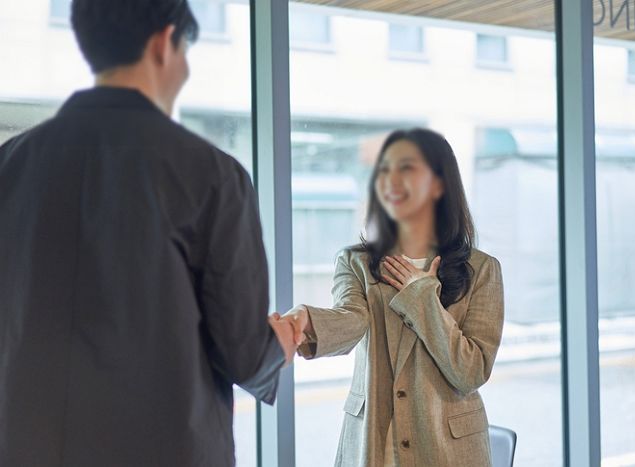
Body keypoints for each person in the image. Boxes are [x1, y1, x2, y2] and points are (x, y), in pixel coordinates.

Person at [0, 1, 296, 466]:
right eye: (185, 50)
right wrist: (280, 343)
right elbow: (243, 352)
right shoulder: (213, 175)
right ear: (163, 43)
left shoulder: (10, 164)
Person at [280, 128, 504, 466]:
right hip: (374, 444)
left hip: (449, 451)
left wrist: (421, 297)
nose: (390, 179)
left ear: (440, 184)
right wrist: (305, 320)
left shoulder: (482, 270)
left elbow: (470, 371)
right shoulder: (355, 261)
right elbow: (351, 321)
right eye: (384, 169)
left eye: (406, 168)